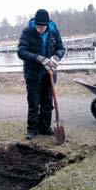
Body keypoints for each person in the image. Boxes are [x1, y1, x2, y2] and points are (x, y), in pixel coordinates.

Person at [18, 9, 65, 140]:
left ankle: (45, 128)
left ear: (47, 24)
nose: (39, 30)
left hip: (48, 74)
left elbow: (61, 48)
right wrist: (39, 58)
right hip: (33, 74)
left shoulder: (54, 32)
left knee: (47, 103)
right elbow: (21, 51)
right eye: (37, 27)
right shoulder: (28, 31)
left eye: (42, 27)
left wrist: (56, 57)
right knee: (34, 103)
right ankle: (32, 130)